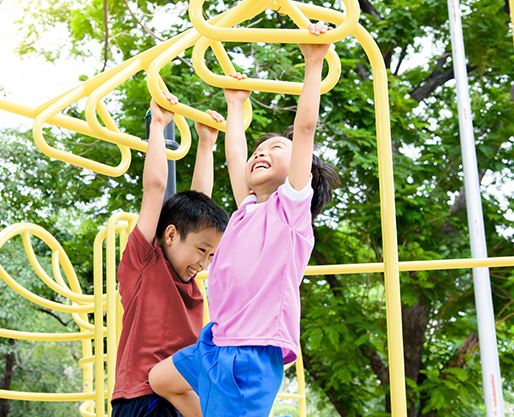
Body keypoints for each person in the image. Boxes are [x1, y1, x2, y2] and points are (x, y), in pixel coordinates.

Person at [148, 22, 341, 417]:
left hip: (250, 353)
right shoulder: (248, 209)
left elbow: (304, 129)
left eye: (276, 148)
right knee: (161, 379)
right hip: (217, 342)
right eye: (260, 147)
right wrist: (235, 103)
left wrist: (313, 63)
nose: (261, 152)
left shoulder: (289, 211)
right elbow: (235, 156)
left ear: (302, 173)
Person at [111, 91, 230, 417]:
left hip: (178, 396)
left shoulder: (190, 280)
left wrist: (206, 143)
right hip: (140, 398)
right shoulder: (144, 263)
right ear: (171, 235)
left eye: (211, 255)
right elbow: (154, 188)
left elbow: (200, 204)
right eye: (202, 252)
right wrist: (159, 124)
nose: (204, 263)